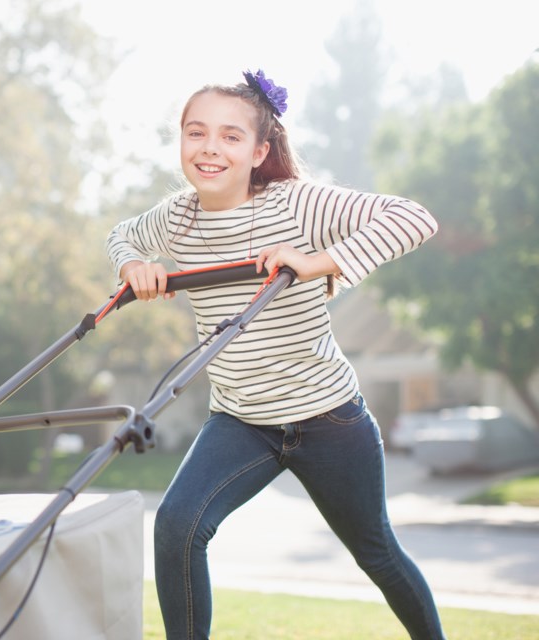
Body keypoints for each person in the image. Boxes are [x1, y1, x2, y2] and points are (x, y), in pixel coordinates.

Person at [105, 69, 446, 639]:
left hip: (329, 417)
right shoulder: (177, 218)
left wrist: (318, 261)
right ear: (181, 141)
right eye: (196, 133)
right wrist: (133, 266)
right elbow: (123, 235)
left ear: (260, 150)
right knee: (177, 527)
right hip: (241, 421)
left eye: (231, 137)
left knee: (376, 551)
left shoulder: (296, 204)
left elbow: (414, 218)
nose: (210, 147)